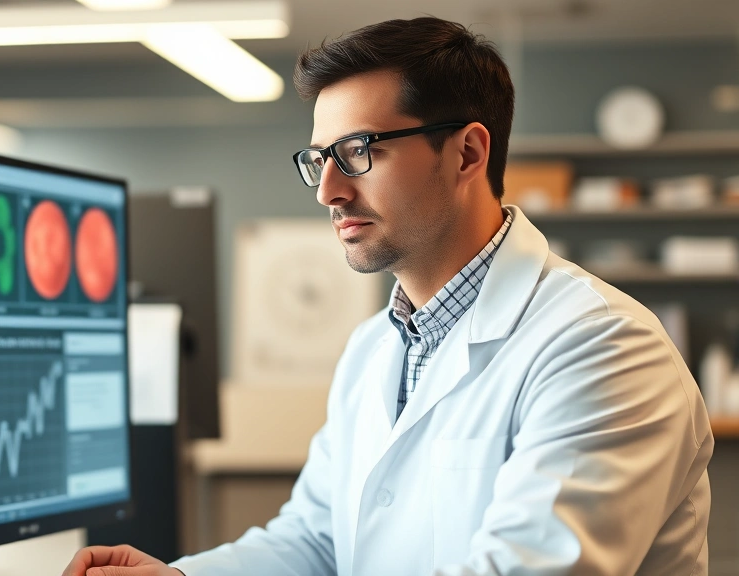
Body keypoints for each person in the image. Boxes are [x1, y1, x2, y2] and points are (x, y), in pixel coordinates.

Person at [63, 16, 714, 576]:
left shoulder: (602, 347)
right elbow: (318, 539)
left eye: (358, 151)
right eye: (320, 159)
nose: (329, 192)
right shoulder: (374, 349)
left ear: (466, 154)